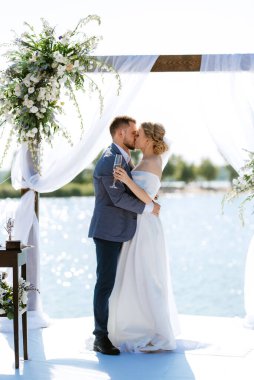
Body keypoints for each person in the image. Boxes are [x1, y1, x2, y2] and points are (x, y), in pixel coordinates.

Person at [88, 116, 160, 355]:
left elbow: (129, 190)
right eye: (132, 133)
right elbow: (118, 197)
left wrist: (149, 197)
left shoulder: (122, 158)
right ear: (121, 134)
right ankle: (100, 337)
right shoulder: (111, 160)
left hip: (120, 230)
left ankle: (117, 328)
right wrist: (150, 208)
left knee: (114, 283)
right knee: (105, 283)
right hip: (108, 231)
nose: (135, 136)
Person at [108, 121, 180, 352]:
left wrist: (127, 180)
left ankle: (158, 331)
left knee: (148, 276)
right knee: (132, 275)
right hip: (138, 223)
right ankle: (139, 324)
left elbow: (148, 198)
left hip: (146, 225)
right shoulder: (145, 160)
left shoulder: (153, 161)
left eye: (138, 135)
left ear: (148, 139)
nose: (135, 138)